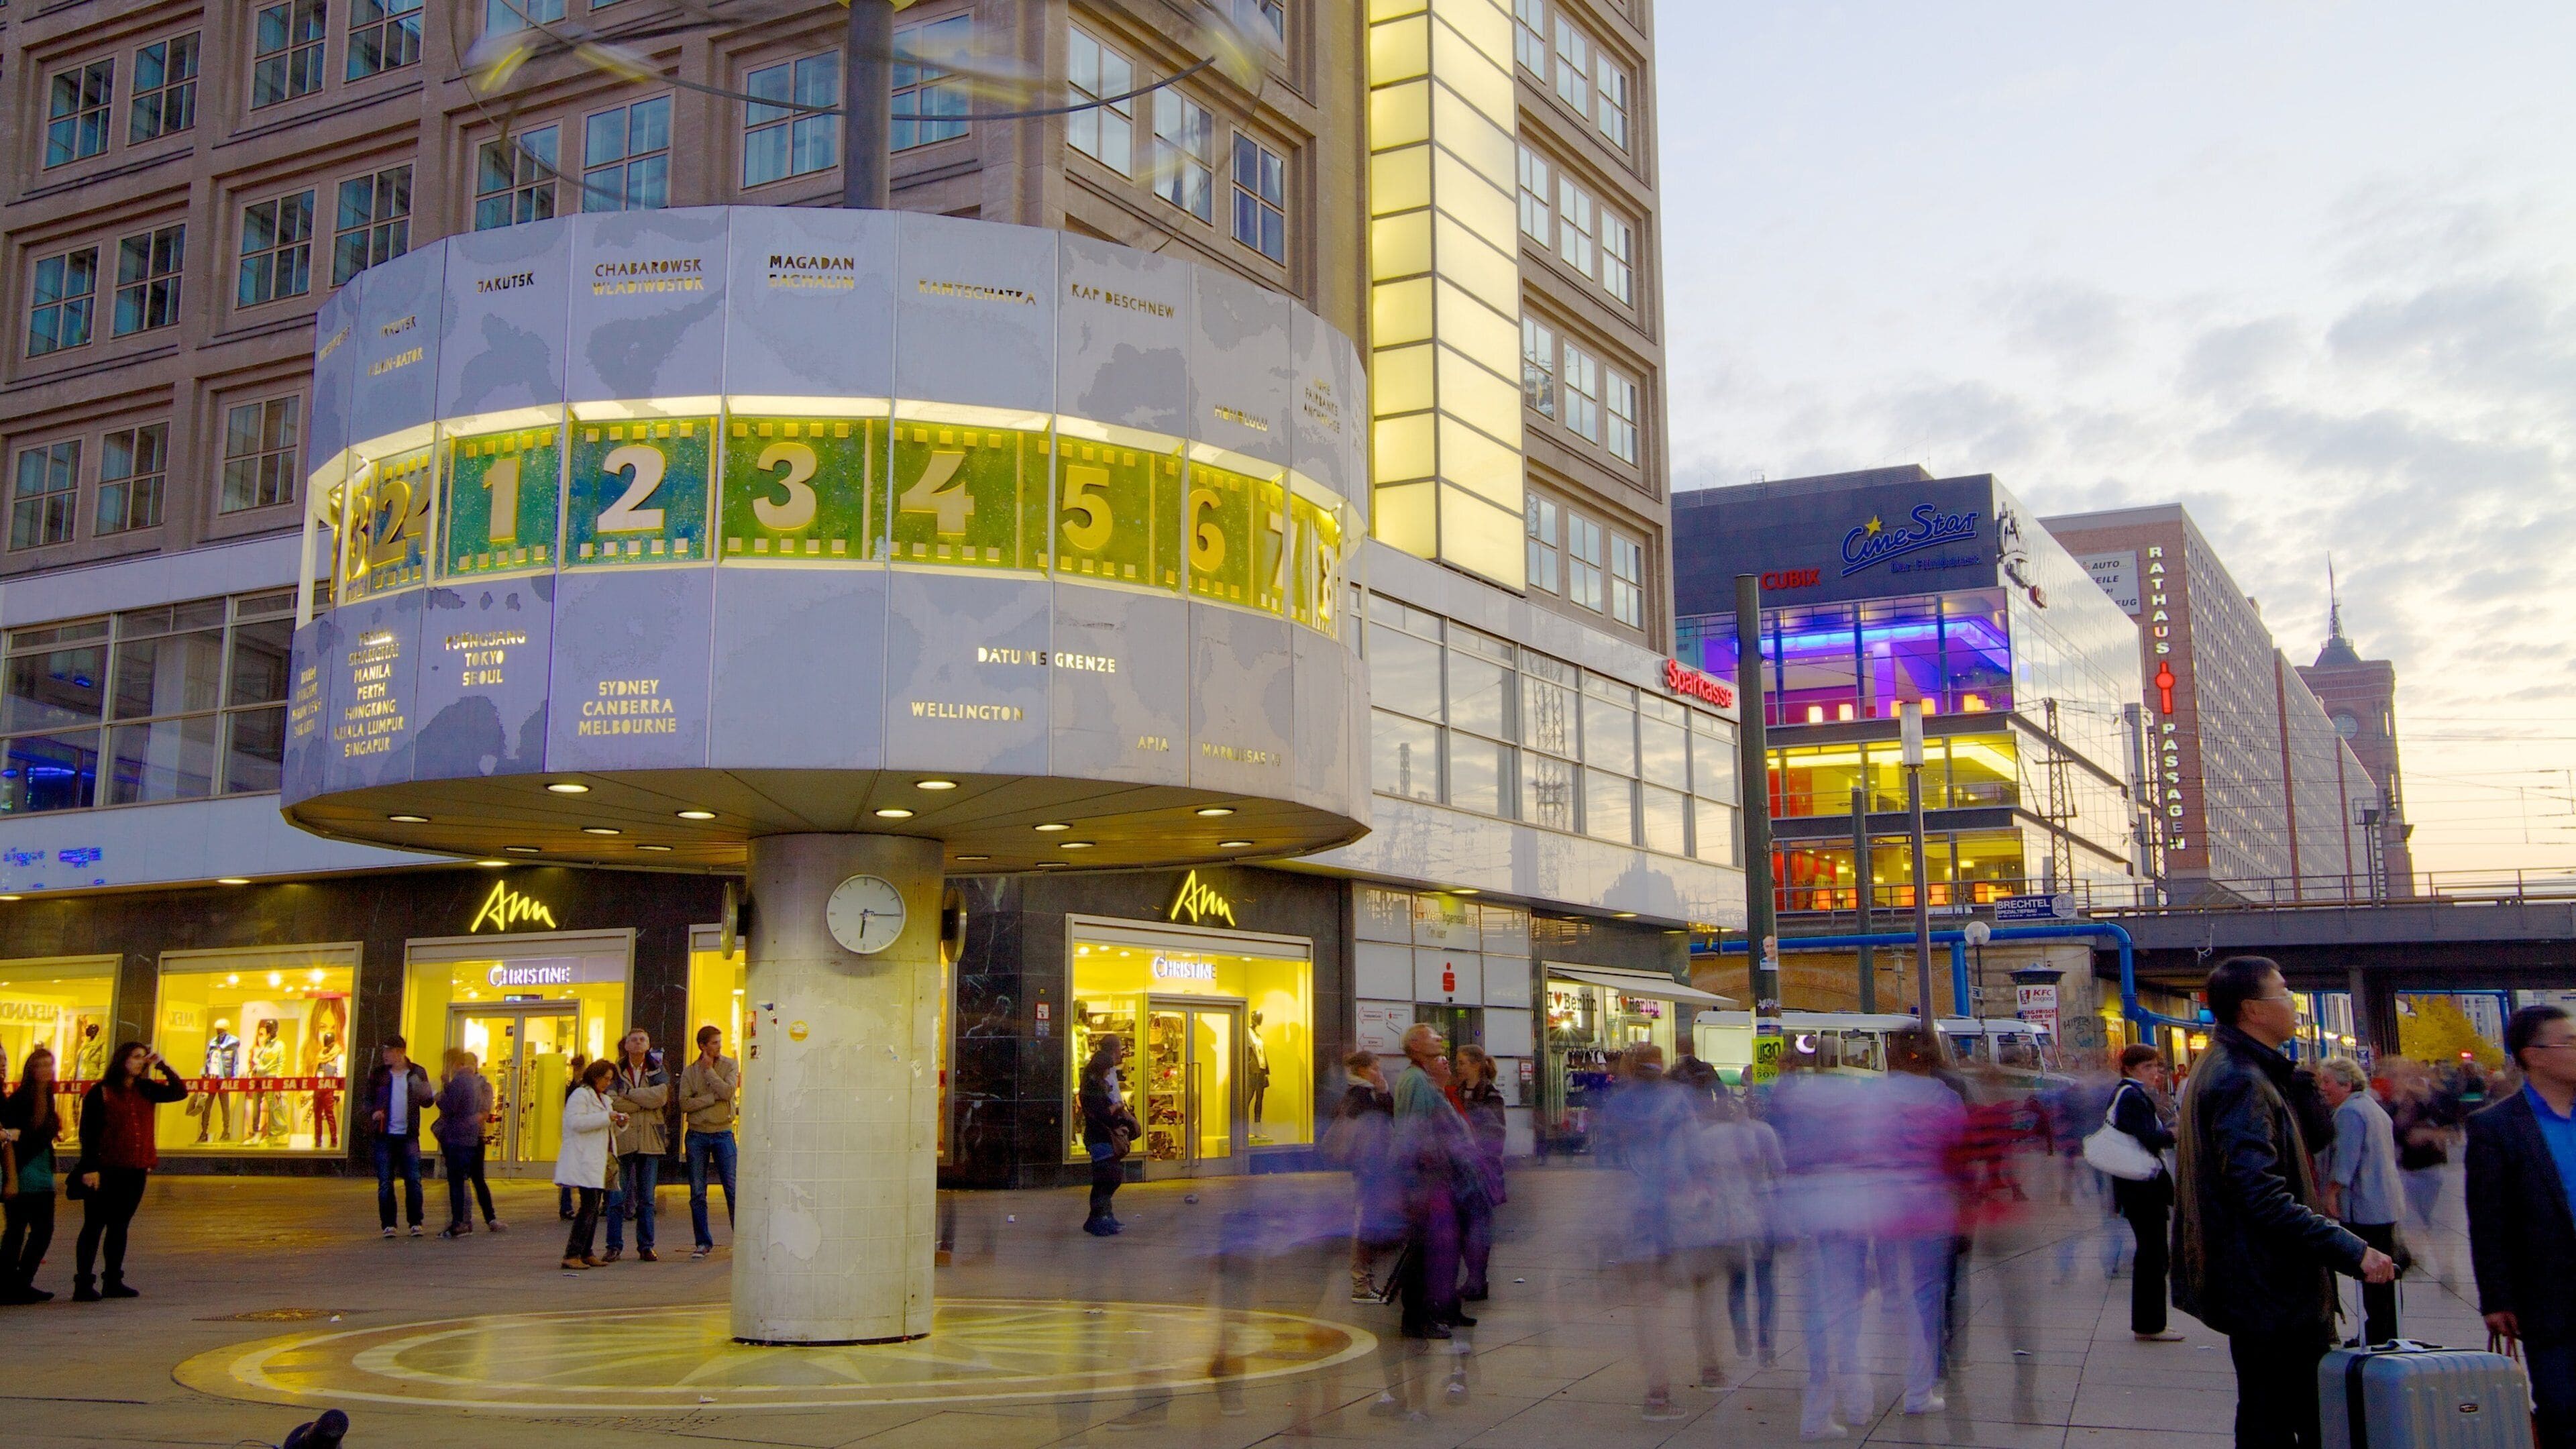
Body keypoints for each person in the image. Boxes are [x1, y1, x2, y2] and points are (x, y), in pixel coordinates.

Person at [2173, 957, 2396, 1449]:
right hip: (2269, 1285)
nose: (2291, 1002)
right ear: (2253, 1009)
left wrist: (2297, 1084)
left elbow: (2313, 1141)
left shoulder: (2251, 1070)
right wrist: (2351, 1249)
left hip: (2260, 1282)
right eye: (2283, 992)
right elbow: (2260, 1194)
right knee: (2285, 1413)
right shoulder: (2240, 1079)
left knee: (2267, 1409)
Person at [2467, 1004, 2576, 1449]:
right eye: (2569, 1042)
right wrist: (2496, 1297)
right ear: (2535, 1055)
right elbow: (2488, 1219)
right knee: (2562, 1409)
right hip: (2547, 1298)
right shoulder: (2496, 1128)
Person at [68, 1040, 189, 1300]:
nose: (139, 1062)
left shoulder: (145, 1089)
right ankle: (84, 1283)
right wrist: (89, 1167)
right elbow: (88, 1133)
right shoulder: (101, 1092)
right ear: (122, 1059)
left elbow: (179, 1092)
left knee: (120, 1226)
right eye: (135, 1057)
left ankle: (113, 1280)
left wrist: (161, 1064)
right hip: (106, 1168)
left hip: (135, 1168)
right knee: (94, 1225)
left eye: (143, 1058)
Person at [2317, 1057, 2404, 1346]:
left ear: (2347, 1083)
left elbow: (2346, 1161)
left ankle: (2378, 1333)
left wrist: (2330, 1193)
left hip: (2365, 1205)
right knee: (2383, 1276)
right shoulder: (2371, 1107)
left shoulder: (2350, 1113)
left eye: (2327, 1082)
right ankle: (2384, 1330)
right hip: (2384, 1202)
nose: (2323, 1088)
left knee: (2372, 1273)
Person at [2108, 1044, 2183, 1340]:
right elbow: (2147, 1138)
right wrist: (2171, 1134)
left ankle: (2150, 1323)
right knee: (2153, 1254)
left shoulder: (2130, 1095)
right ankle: (2150, 1324)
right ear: (2130, 1069)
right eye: (2147, 1068)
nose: (2155, 1073)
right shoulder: (2131, 1097)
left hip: (2137, 1184)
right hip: (2140, 1186)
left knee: (2152, 1252)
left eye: (2157, 1067)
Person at [1331, 1049, 1400, 1300]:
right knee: (1364, 1227)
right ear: (1361, 1070)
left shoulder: (1363, 1093)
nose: (1378, 1073)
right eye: (1374, 1068)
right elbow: (1387, 1118)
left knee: (1369, 1225)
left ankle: (1366, 1281)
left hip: (1371, 1169)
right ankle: (1361, 1283)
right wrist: (1382, 1092)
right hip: (1369, 1169)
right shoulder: (1360, 1096)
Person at [1, 1046, 62, 1302]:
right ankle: (12, 1283)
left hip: (40, 1169)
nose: (46, 1070)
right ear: (30, 1070)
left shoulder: (47, 1098)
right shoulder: (21, 1099)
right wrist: (13, 1178)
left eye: (50, 1064)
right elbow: (13, 1141)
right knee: (21, 1229)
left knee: (38, 1229)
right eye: (40, 1065)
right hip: (24, 1170)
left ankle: (20, 1281)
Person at [604, 1029, 669, 1262]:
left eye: (643, 1039)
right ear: (627, 1046)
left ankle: (646, 1246)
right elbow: (611, 1101)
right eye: (634, 1040)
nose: (639, 1043)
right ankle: (614, 1246)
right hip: (624, 1138)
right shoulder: (616, 1071)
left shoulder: (658, 1070)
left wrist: (630, 1094)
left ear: (649, 1045)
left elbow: (661, 1098)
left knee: (647, 1198)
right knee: (616, 1197)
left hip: (650, 1139)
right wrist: (643, 1103)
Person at [1449, 1044, 1507, 1303]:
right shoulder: (1457, 1092)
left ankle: (1478, 1279)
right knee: (1464, 1226)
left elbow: (1496, 1132)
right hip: (1460, 1169)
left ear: (1475, 1065)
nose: (1457, 1067)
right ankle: (1474, 1278)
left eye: (1462, 1063)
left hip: (1481, 1169)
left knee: (1478, 1226)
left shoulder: (1490, 1095)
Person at [677, 1025, 740, 1260]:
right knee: (697, 1191)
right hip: (697, 1134)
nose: (719, 1046)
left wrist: (710, 1072)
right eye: (714, 1042)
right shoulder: (689, 1071)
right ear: (702, 1045)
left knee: (732, 1188)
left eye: (719, 1041)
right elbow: (685, 1103)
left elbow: (727, 1091)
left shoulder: (730, 1065)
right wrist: (710, 1098)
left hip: (723, 1132)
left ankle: (740, 1239)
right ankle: (703, 1242)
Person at [556, 1059, 623, 1270]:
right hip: (584, 1158)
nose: (608, 1083)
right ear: (595, 1076)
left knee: (593, 1207)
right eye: (606, 1078)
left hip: (598, 1159)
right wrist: (607, 1117)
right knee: (588, 1206)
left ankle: (586, 1251)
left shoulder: (603, 1099)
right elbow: (575, 1122)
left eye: (610, 1080)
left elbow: (606, 1127)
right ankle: (573, 1253)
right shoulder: (580, 1095)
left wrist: (619, 1122)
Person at [365, 1036, 433, 1239]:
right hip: (384, 1135)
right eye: (384, 1052)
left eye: (389, 1051)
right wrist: (373, 1113)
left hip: (409, 1135)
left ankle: (415, 1222)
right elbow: (367, 1100)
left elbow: (427, 1102)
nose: (385, 1056)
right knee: (385, 1181)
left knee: (413, 1179)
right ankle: (388, 1224)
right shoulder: (378, 1075)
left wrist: (425, 1091)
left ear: (401, 1052)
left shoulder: (417, 1072)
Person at [431, 1050, 502, 1239]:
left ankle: (468, 1221)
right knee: (465, 1180)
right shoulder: (468, 1082)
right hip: (468, 1136)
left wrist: (439, 1096)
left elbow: (454, 1106)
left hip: (466, 1137)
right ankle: (468, 1220)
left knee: (468, 1179)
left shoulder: (470, 1082)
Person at [1077, 1037, 1138, 1236]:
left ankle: (1104, 1216)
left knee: (1108, 1176)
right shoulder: (1095, 1088)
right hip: (1100, 1136)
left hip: (1101, 1136)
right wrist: (1117, 1108)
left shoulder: (1094, 1083)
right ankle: (1097, 1219)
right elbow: (1102, 1113)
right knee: (1107, 1177)